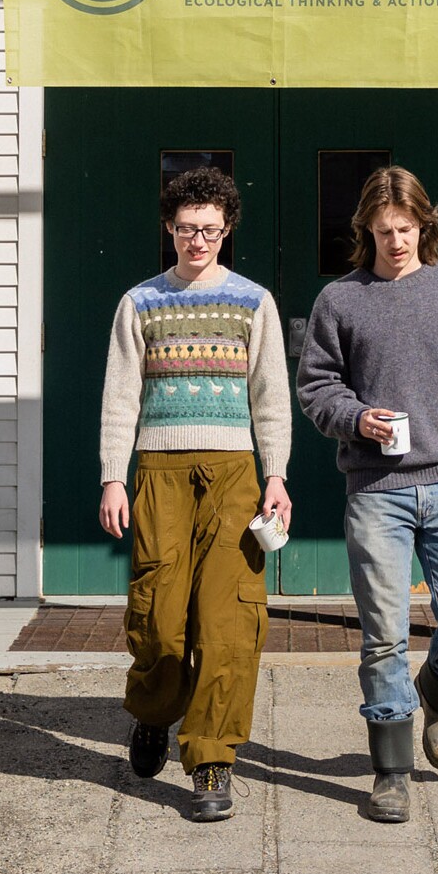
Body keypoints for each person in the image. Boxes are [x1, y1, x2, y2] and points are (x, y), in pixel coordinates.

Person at [295, 165, 438, 824]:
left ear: (425, 226)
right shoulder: (341, 301)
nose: (396, 242)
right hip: (375, 492)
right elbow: (317, 390)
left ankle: (437, 699)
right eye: (383, 232)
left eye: (406, 229)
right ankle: (391, 773)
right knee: (383, 634)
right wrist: (357, 419)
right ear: (366, 231)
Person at [98, 164, 292, 822]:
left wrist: (276, 475)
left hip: (236, 474)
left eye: (209, 229)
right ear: (170, 228)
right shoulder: (140, 302)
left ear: (227, 227)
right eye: (186, 229)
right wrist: (112, 477)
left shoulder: (252, 301)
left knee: (227, 622)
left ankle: (212, 762)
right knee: (157, 616)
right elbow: (122, 396)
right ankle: (155, 712)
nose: (197, 241)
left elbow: (270, 398)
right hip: (159, 472)